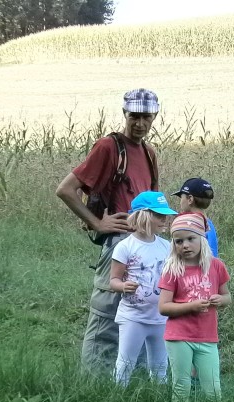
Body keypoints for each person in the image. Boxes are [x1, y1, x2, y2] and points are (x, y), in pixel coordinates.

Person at [55, 89, 161, 375]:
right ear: (124, 114)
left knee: (139, 311)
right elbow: (65, 189)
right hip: (118, 243)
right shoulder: (108, 147)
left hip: (144, 243)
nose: (139, 123)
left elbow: (153, 201)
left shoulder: (149, 153)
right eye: (134, 116)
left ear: (155, 118)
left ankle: (130, 382)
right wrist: (97, 223)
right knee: (106, 316)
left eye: (146, 117)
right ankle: (92, 383)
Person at [158, 213, 232, 401]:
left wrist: (219, 300)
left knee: (213, 388)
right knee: (181, 384)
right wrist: (191, 306)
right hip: (179, 336)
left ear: (202, 239)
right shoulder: (172, 269)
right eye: (178, 241)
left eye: (191, 239)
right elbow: (163, 307)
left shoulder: (216, 266)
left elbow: (227, 297)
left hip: (207, 336)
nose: (185, 245)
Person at [109, 191, 176, 385]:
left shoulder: (167, 246)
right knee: (125, 364)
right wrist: (123, 286)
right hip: (133, 317)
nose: (164, 220)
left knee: (160, 366)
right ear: (144, 215)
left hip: (160, 318)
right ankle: (117, 399)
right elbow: (113, 280)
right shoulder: (125, 247)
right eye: (159, 215)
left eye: (165, 215)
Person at [173, 177, 219, 257]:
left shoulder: (189, 224)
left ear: (190, 199)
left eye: (181, 197)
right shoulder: (208, 224)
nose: (180, 201)